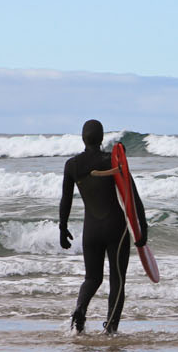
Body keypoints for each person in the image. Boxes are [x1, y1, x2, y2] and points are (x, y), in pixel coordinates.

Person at [59, 121, 149, 334]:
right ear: (101, 139)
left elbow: (66, 199)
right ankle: (110, 329)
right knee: (117, 279)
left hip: (90, 231)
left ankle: (80, 309)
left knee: (92, 278)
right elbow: (131, 196)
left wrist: (62, 227)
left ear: (83, 138)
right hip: (115, 228)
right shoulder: (112, 161)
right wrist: (142, 227)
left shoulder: (72, 165)